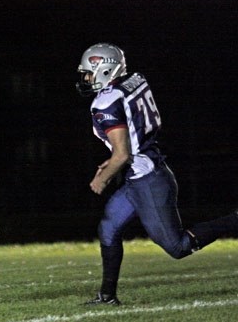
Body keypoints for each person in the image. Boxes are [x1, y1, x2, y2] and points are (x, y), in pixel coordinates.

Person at [75, 42, 238, 305]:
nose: (85, 79)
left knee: (179, 247)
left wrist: (101, 178)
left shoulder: (104, 103)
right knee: (108, 228)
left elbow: (122, 154)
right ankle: (106, 296)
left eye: (88, 73)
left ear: (105, 70)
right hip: (141, 174)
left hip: (149, 181)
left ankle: (235, 219)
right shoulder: (134, 81)